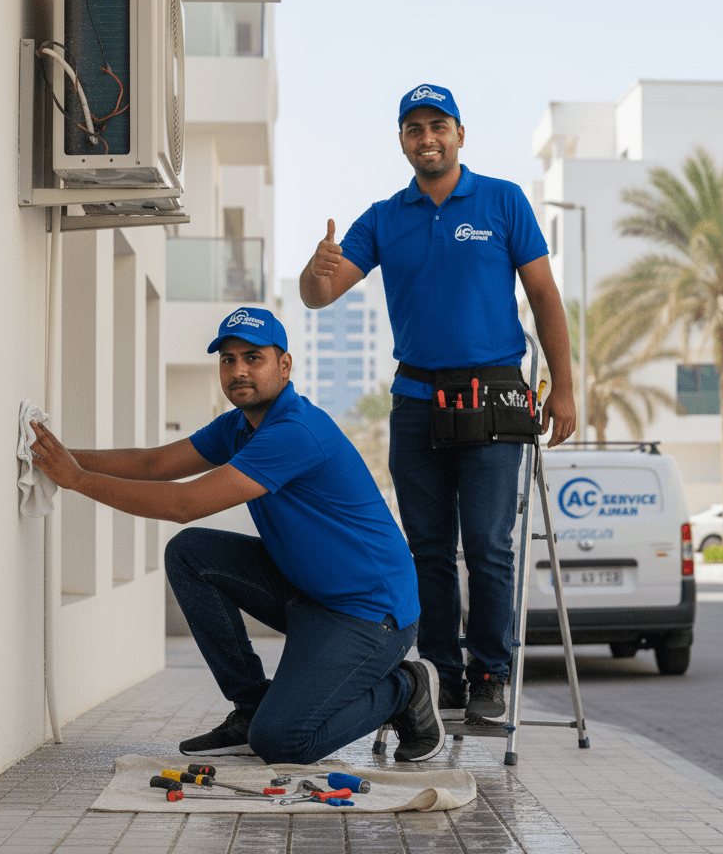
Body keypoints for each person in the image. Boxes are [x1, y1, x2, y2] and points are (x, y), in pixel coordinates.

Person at [29, 306, 445, 765]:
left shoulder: (294, 431)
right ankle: (250, 709)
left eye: (253, 357)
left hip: (368, 613)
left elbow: (183, 504)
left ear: (283, 366)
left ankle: (406, 688)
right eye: (228, 360)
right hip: (307, 591)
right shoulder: (240, 426)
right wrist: (58, 456)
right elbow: (154, 466)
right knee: (191, 556)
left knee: (284, 742)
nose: (239, 370)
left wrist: (77, 479)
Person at [299, 85, 576, 720]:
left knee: (486, 544)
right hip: (417, 400)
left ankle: (489, 673)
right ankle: (443, 674)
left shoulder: (503, 200)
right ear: (401, 140)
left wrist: (563, 387)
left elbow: (544, 297)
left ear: (459, 134)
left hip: (494, 397)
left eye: (437, 126)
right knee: (426, 546)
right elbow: (321, 296)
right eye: (414, 129)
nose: (427, 138)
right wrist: (316, 271)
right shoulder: (383, 216)